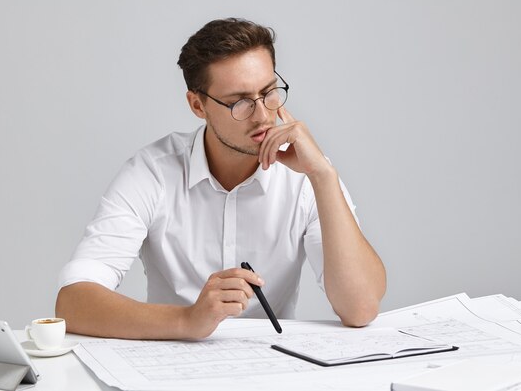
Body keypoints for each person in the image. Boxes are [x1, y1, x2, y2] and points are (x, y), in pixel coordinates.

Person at [55, 18, 386, 340]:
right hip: (169, 366)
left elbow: (360, 308)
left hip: (274, 368)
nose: (262, 115)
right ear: (198, 105)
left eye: (269, 92)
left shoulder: (306, 174)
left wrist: (323, 176)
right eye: (238, 102)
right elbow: (73, 302)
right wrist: (188, 320)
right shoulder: (153, 172)